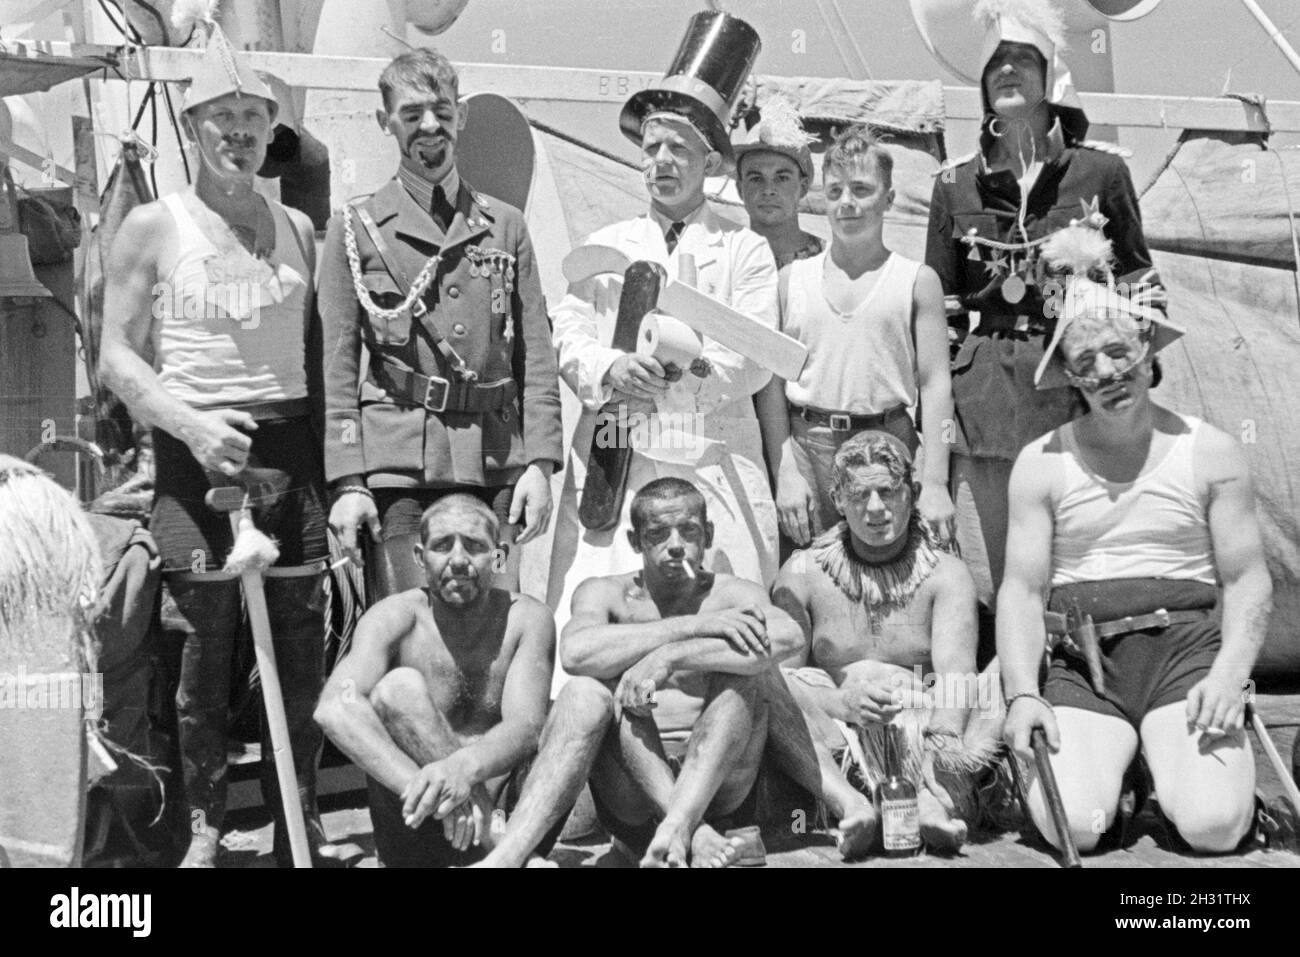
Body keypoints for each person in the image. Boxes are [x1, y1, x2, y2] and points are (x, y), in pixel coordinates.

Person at [99, 24, 329, 867]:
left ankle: (294, 826)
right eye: (221, 116)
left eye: (253, 118)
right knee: (201, 647)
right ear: (192, 128)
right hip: (193, 448)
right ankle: (203, 825)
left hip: (288, 447)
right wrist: (191, 425)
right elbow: (115, 355)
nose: (238, 132)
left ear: (272, 132)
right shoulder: (153, 228)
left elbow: (318, 354)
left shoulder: (301, 229)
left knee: (299, 648)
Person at [999, 227, 1271, 854]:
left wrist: (1231, 676)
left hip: (1186, 655)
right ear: (1068, 375)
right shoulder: (1041, 464)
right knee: (1076, 824)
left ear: (1148, 350)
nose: (1107, 373)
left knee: (1213, 826)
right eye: (1086, 363)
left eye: (1118, 352)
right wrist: (1022, 695)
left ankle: (1177, 771)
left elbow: (1247, 578)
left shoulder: (1210, 451)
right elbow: (1021, 588)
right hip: (1086, 661)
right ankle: (1122, 772)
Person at [548, 13, 779, 659]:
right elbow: (567, 329)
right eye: (652, 147)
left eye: (679, 147)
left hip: (714, 462)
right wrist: (608, 372)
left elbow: (754, 359)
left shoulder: (744, 249)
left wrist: (679, 377)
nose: (663, 161)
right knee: (608, 633)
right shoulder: (606, 247)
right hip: (619, 458)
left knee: (728, 638)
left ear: (710, 158)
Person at [924, 0, 1159, 612]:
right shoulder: (952, 185)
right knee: (1001, 571)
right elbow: (941, 312)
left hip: (1075, 392)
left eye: (1023, 59)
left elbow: (1139, 280)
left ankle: (1083, 683)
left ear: (1050, 74)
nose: (1008, 71)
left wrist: (1131, 378)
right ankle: (1015, 682)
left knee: (1081, 552)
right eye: (996, 61)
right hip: (986, 402)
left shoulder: (1102, 173)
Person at [317, 47, 563, 600]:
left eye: (442, 111)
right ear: (386, 122)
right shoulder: (355, 229)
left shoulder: (506, 226)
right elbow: (335, 366)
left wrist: (539, 465)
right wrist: (349, 481)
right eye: (411, 114)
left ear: (461, 117)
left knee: (496, 629)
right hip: (398, 462)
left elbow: (536, 356)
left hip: (497, 459)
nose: (430, 126)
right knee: (409, 628)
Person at [478, 478, 803, 868]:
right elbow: (576, 653)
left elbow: (789, 636)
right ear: (635, 542)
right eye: (658, 534)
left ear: (709, 535)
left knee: (744, 675)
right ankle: (684, 831)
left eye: (689, 531)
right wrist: (690, 628)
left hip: (719, 784)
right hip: (631, 786)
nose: (676, 544)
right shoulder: (604, 592)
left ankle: (680, 825)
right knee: (584, 690)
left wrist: (673, 656)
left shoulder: (734, 593)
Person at [766, 431, 1000, 858]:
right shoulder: (802, 571)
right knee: (766, 684)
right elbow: (780, 680)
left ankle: (934, 799)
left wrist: (939, 745)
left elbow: (956, 677)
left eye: (888, 492)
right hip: (838, 744)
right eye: (859, 495)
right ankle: (857, 805)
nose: (875, 509)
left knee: (998, 679)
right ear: (836, 498)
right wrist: (838, 702)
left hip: (925, 740)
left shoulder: (945, 574)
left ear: (911, 493)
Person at [314, 494, 556, 866]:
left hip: (510, 813)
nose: (458, 560)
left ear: (499, 556)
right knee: (398, 688)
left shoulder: (526, 618)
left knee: (584, 699)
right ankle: (512, 854)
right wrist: (436, 791)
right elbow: (335, 707)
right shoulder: (393, 617)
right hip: (422, 822)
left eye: (475, 546)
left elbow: (526, 728)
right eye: (443, 546)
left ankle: (505, 854)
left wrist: (460, 770)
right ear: (418, 557)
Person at [759, 126, 955, 549]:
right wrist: (785, 471)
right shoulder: (790, 281)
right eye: (835, 191)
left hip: (890, 445)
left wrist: (936, 481)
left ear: (888, 199)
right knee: (812, 579)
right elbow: (771, 384)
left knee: (894, 584)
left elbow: (936, 385)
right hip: (810, 446)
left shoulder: (917, 281)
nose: (847, 203)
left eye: (861, 189)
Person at [732, 96, 824, 270]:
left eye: (781, 178)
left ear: (803, 187)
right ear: (739, 188)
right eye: (756, 179)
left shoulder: (828, 262)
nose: (768, 190)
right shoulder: (725, 261)